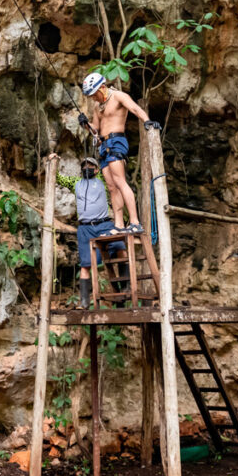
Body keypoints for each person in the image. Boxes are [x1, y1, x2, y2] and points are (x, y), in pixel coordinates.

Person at [78, 72, 155, 235]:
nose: (93, 98)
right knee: (112, 187)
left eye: (94, 94)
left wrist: (146, 120)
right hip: (103, 144)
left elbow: (134, 108)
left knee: (120, 181)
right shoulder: (97, 106)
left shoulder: (119, 96)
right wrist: (86, 124)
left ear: (102, 87)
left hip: (116, 141)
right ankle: (119, 224)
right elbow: (96, 130)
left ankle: (135, 222)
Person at [57, 157, 125, 309]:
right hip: (85, 228)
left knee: (121, 249)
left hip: (105, 224)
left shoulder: (102, 179)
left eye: (90, 166)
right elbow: (58, 178)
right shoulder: (76, 183)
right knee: (85, 265)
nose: (86, 168)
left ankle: (125, 288)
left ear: (96, 169)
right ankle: (84, 302)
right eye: (84, 166)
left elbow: (109, 168)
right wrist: (52, 162)